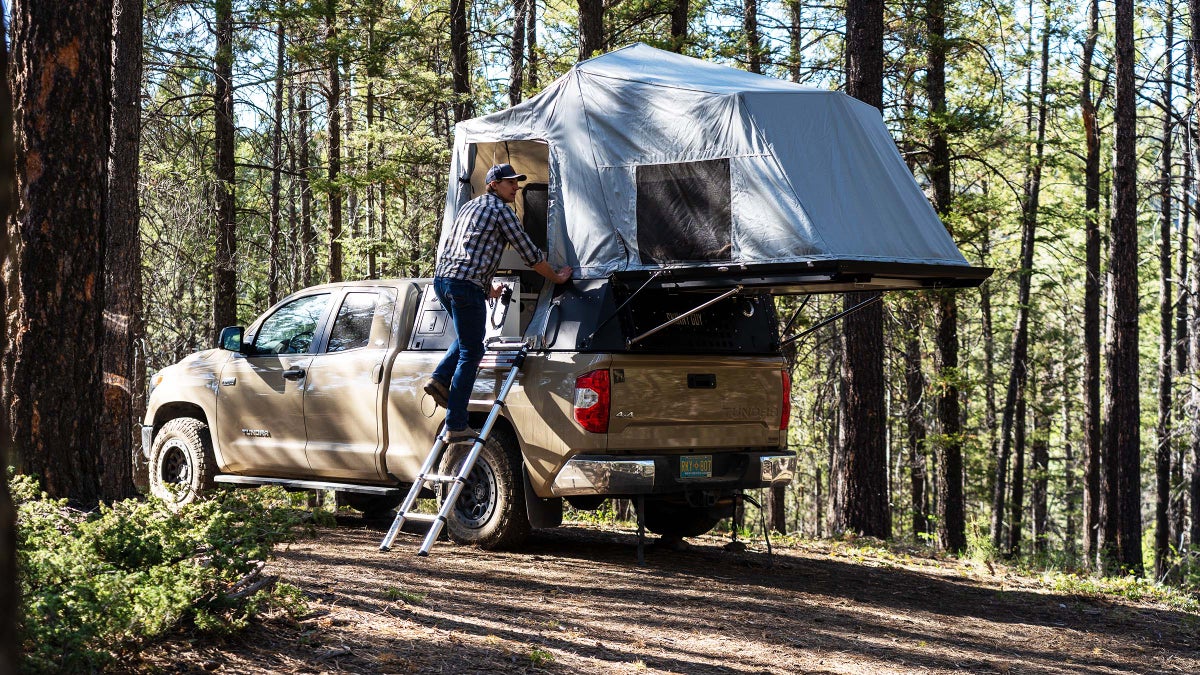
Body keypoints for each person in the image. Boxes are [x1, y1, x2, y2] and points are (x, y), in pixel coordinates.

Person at [425, 163, 572, 443]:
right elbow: (529, 253)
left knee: (470, 339)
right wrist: (557, 277)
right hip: (464, 286)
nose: (516, 188)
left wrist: (486, 288)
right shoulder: (501, 210)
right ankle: (456, 422)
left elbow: (467, 249)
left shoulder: (470, 206)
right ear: (493, 184)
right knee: (472, 352)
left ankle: (439, 378)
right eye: (510, 183)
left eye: (517, 183)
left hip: (444, 281)